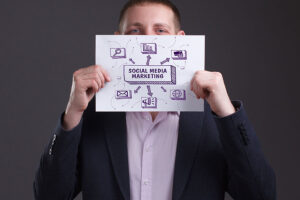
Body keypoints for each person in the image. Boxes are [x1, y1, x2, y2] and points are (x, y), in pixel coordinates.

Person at [34, 0, 276, 199]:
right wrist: (71, 114)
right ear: (118, 40)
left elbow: (261, 195)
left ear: (181, 40)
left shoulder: (214, 119)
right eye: (135, 31)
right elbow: (48, 195)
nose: (146, 40)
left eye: (160, 30)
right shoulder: (92, 115)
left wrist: (228, 115)